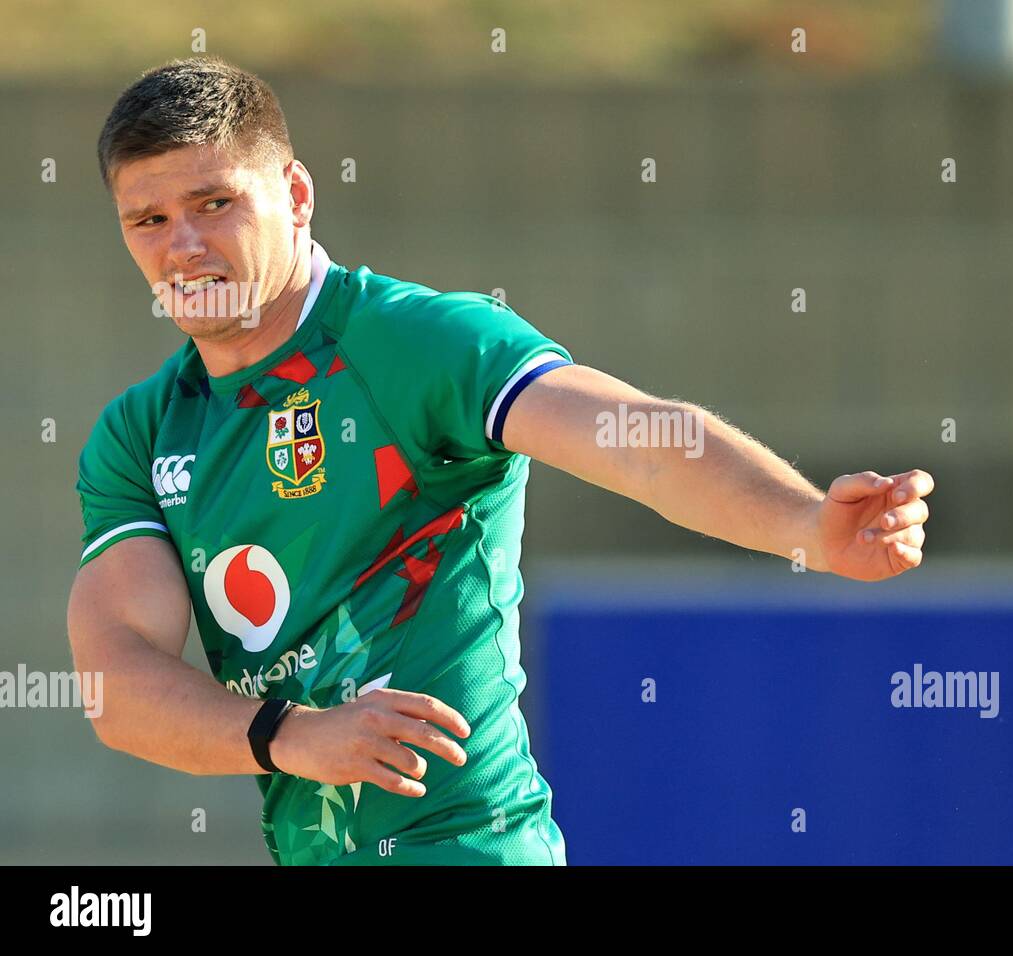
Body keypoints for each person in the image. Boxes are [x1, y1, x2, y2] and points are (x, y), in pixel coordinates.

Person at [68, 57, 934, 866]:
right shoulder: (141, 432)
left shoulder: (416, 344)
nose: (181, 246)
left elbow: (640, 444)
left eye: (214, 203)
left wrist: (805, 525)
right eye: (148, 221)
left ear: (295, 194)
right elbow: (118, 680)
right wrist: (290, 734)